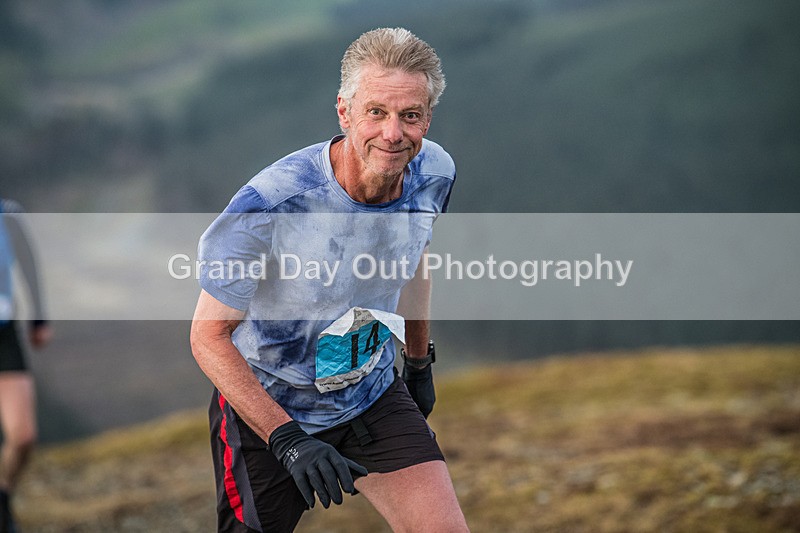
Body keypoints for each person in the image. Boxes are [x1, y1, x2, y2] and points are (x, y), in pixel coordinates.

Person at [190, 27, 469, 532]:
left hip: (371, 393)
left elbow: (414, 262)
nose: (393, 134)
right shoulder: (270, 205)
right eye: (376, 112)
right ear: (344, 111)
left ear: (427, 117)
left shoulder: (434, 173)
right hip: (269, 410)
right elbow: (207, 337)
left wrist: (418, 364)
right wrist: (287, 438)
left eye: (410, 116)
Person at [0, 199, 52, 533]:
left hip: (5, 334)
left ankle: (2, 494)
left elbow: (30, 265)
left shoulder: (9, 215)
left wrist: (39, 318)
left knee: (23, 435)